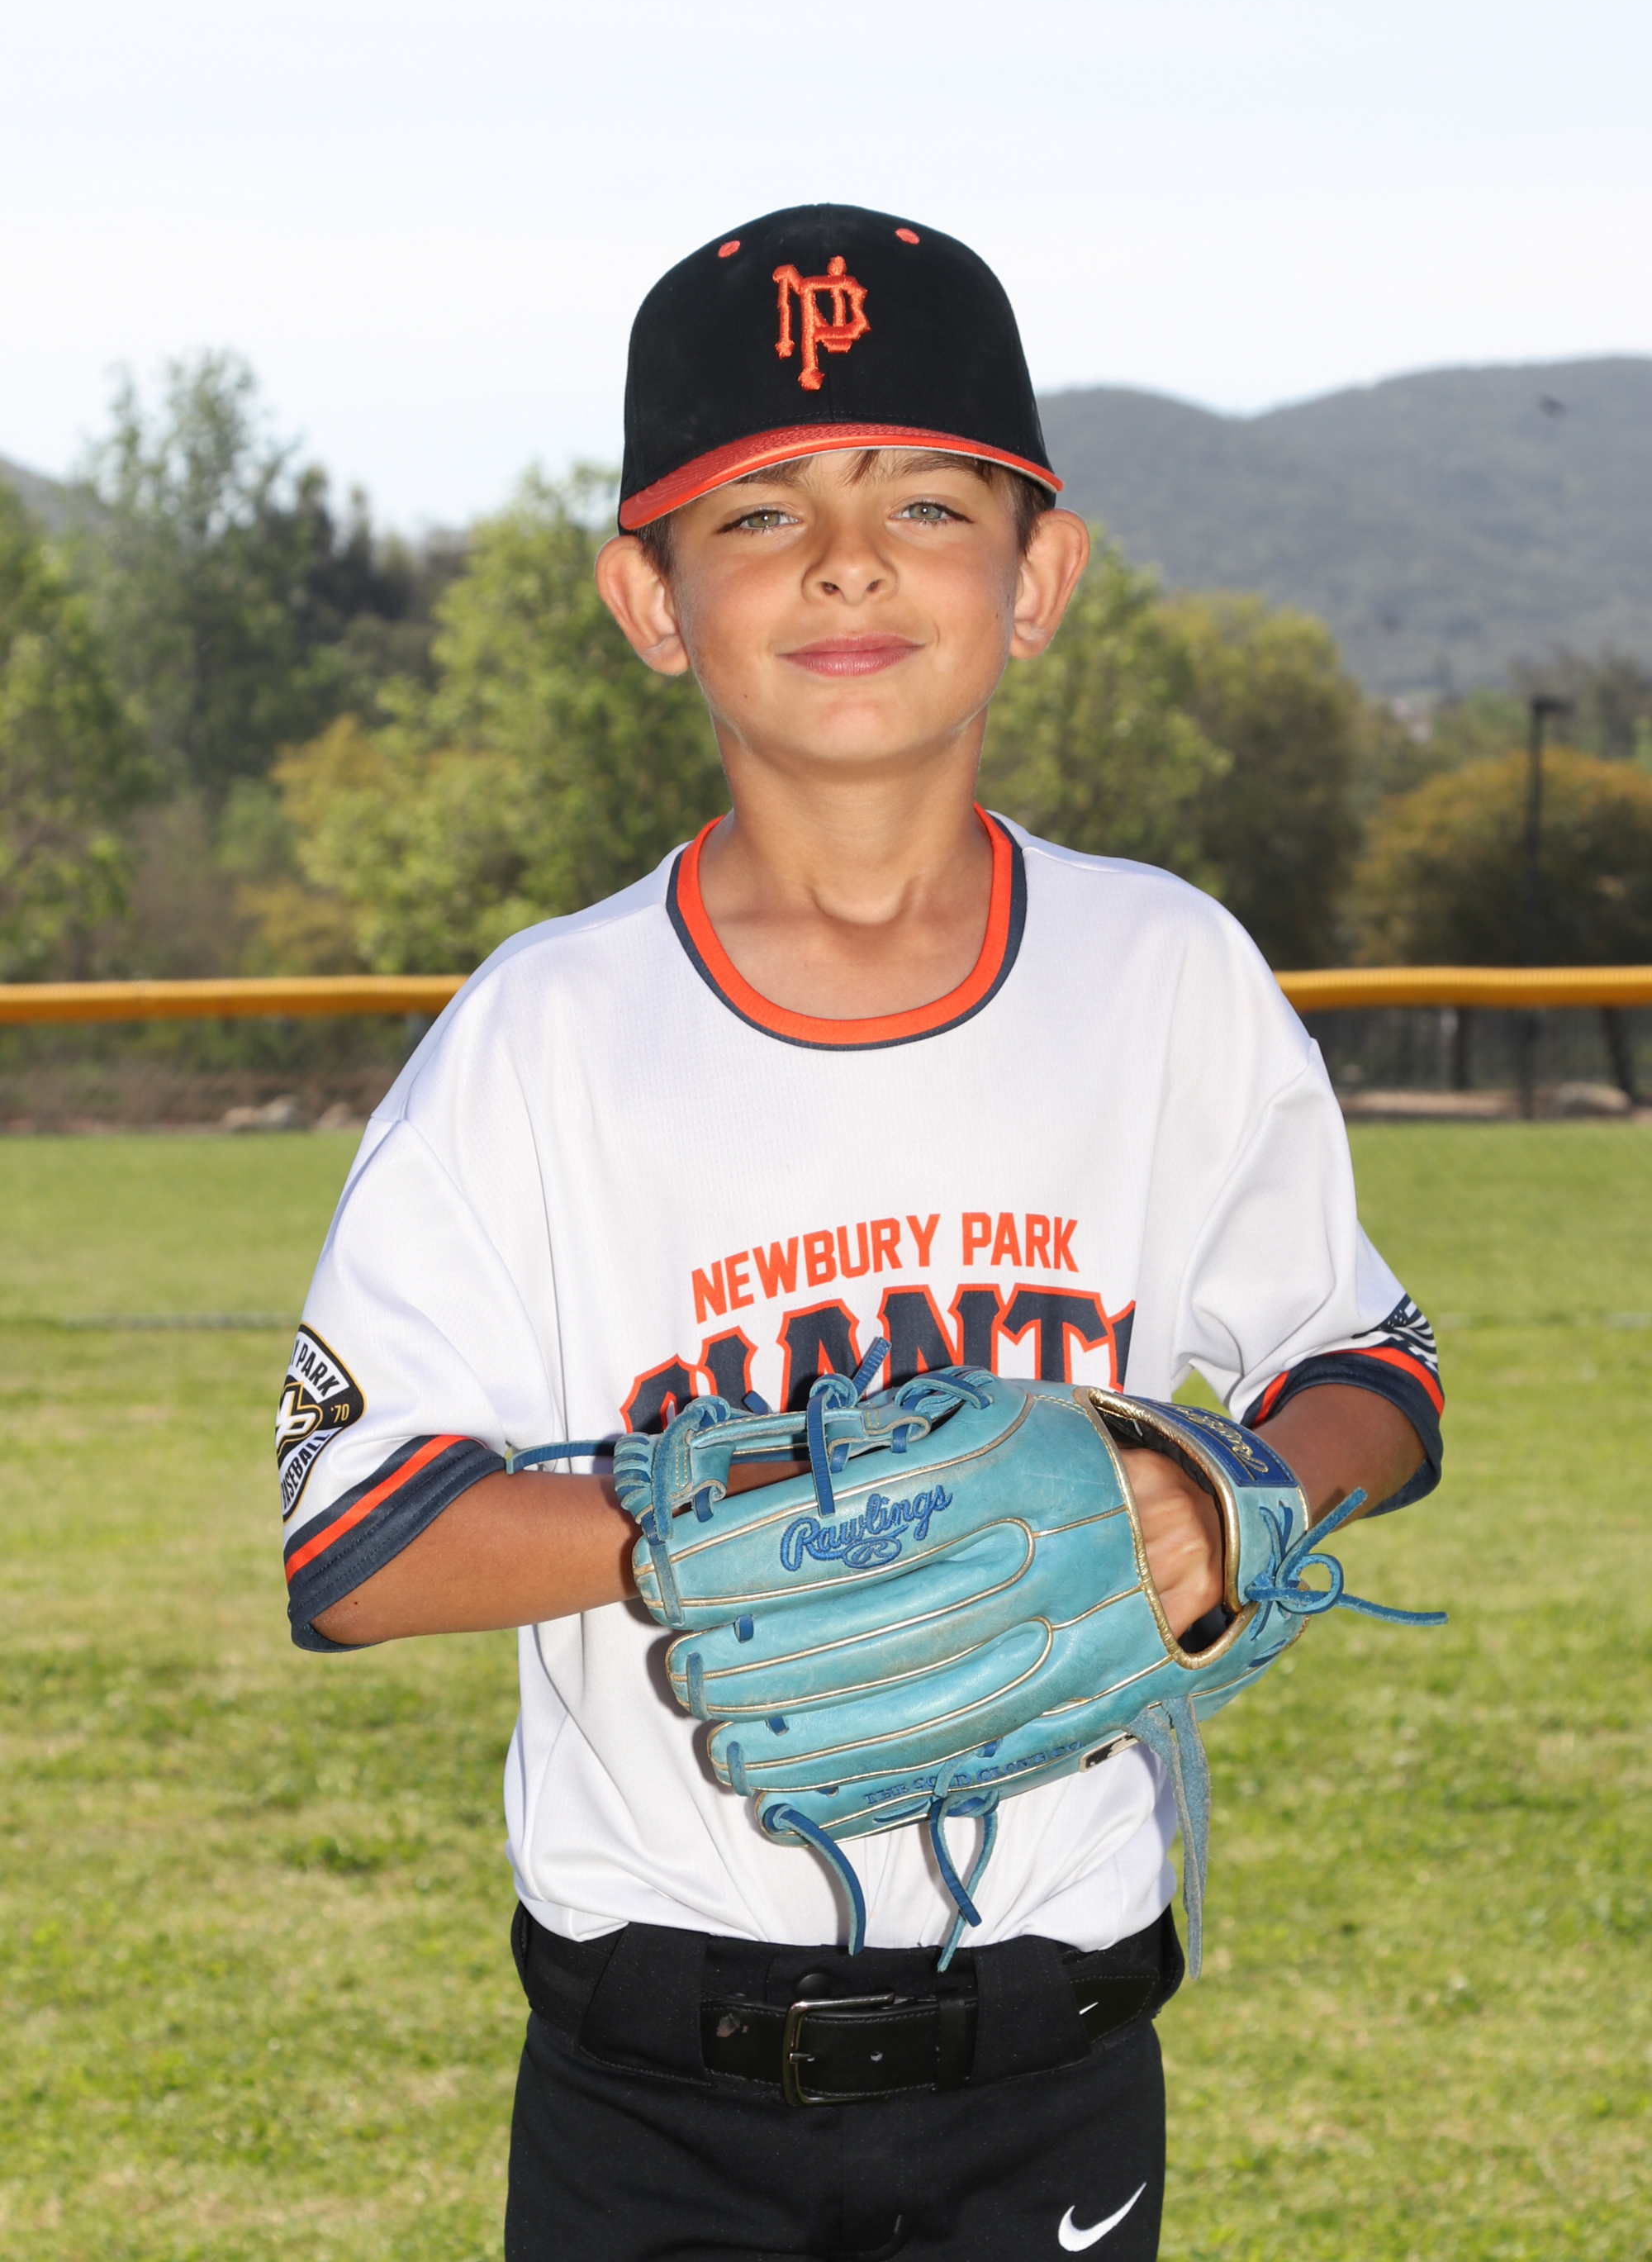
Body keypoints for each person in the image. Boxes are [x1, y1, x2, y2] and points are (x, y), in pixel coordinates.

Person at [277, 204, 1443, 2260]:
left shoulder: (1162, 972)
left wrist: (1219, 1486)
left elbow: (1375, 1373)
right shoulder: (545, 1031)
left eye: (924, 500)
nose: (846, 560)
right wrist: (737, 1530)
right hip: (656, 2076)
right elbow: (354, 1541)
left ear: (1039, 576)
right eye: (759, 512)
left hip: (1054, 2046)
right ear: (648, 599)